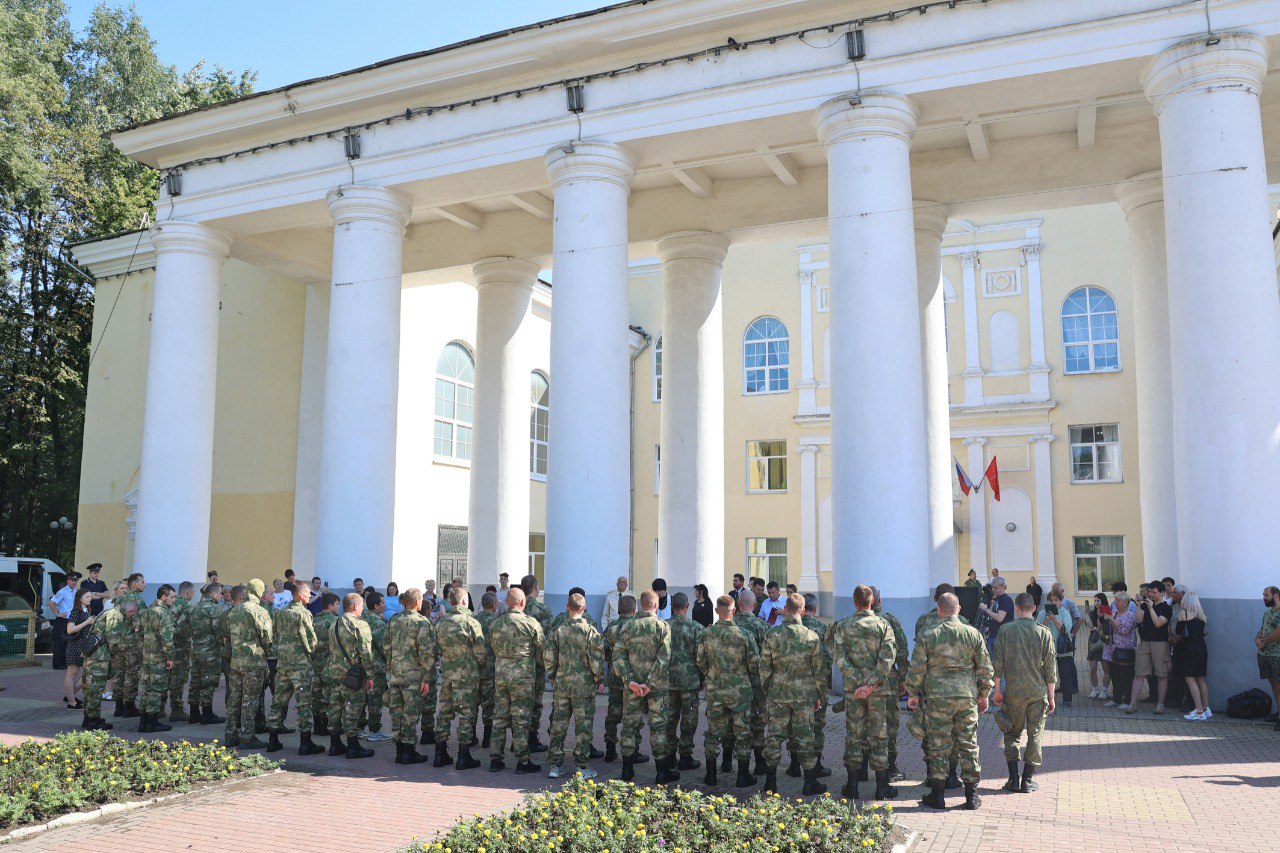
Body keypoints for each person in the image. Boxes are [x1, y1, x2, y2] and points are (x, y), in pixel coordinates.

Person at [906, 593, 993, 811]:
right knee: (968, 744)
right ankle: (971, 796)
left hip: (937, 698)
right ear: (959, 609)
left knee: (938, 745)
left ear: (939, 609)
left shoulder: (928, 635)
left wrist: (913, 693)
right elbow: (985, 669)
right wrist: (984, 694)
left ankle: (938, 795)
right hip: (966, 696)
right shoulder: (972, 634)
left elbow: (917, 668)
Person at [829, 585, 895, 801]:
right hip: (876, 691)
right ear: (872, 602)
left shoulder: (843, 626)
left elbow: (839, 657)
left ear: (855, 602)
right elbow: (887, 658)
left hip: (854, 691)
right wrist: (871, 684)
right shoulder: (883, 625)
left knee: (854, 735)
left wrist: (859, 683)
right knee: (879, 735)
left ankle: (853, 785)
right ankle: (882, 787)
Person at [758, 592, 825, 796]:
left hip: (778, 693)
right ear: (803, 611)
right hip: (804, 696)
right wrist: (819, 695)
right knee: (805, 737)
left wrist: (768, 690)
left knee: (774, 737)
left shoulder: (772, 634)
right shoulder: (811, 636)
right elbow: (819, 671)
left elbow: (764, 668)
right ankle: (810, 782)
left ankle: (770, 781)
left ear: (785, 610)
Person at [993, 593, 1056, 794]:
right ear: (1034, 608)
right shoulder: (1044, 632)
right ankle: (1027, 780)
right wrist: (1052, 697)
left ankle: (1013, 779)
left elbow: (997, 664)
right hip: (1038, 693)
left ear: (1017, 608)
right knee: (1035, 734)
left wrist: (997, 690)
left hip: (1013, 693)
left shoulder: (1006, 631)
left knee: (1012, 733)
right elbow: (1050, 669)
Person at [695, 594, 757, 789]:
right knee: (742, 733)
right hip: (740, 691)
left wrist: (712, 675)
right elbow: (754, 665)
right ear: (735, 611)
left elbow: (700, 661)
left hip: (716, 691)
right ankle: (742, 775)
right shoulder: (744, 635)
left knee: (713, 733)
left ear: (716, 611)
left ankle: (711, 775)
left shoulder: (706, 634)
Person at [614, 590, 676, 783]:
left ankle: (627, 769)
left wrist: (629, 680)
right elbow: (664, 658)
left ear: (641, 605)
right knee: (658, 727)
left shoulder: (628, 626)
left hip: (632, 687)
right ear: (656, 606)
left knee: (629, 726)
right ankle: (661, 772)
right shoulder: (662, 627)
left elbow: (618, 656)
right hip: (655, 688)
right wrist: (650, 683)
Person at [545, 592, 604, 779]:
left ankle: (555, 765)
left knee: (558, 725)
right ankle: (581, 766)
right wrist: (599, 679)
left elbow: (549, 658)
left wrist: (553, 677)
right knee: (583, 726)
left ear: (567, 607)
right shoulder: (590, 632)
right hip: (583, 686)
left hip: (562, 684)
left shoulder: (558, 630)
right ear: (584, 608)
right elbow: (596, 661)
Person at [488, 588, 545, 774]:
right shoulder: (530, 624)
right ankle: (522, 761)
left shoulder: (495, 623)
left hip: (502, 676)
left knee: (500, 716)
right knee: (520, 717)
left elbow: (492, 647)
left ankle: (495, 759)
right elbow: (542, 651)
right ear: (522, 603)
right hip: (523, 677)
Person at [266, 581, 325, 755]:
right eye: (308, 594)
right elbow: (311, 641)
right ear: (300, 595)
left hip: (283, 664)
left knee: (278, 702)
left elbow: (274, 635)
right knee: (304, 704)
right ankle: (305, 742)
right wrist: (311, 653)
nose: (310, 597)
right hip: (300, 666)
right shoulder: (303, 614)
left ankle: (273, 740)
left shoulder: (281, 612)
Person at [433, 586, 487, 769]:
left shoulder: (441, 623)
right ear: (464, 601)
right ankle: (463, 755)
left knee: (444, 713)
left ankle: (440, 754)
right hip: (467, 677)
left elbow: (437, 649)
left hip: (447, 675)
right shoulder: (471, 623)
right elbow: (481, 652)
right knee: (466, 714)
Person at [324, 593, 377, 758]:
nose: (362, 609)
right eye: (361, 606)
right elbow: (366, 653)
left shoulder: (334, 623)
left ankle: (334, 744)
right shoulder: (359, 625)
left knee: (335, 707)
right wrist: (370, 675)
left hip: (335, 672)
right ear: (355, 606)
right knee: (352, 708)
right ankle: (353, 745)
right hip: (352, 675)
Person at [384, 587, 434, 765]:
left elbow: (387, 646)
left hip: (396, 674)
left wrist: (391, 668)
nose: (421, 603)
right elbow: (426, 652)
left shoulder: (394, 620)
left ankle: (399, 750)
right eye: (420, 600)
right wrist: (427, 678)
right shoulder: (421, 622)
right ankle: (408, 751)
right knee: (410, 714)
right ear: (415, 602)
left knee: (396, 712)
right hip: (413, 676)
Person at [223, 585, 272, 748]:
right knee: (250, 700)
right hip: (254, 662)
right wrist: (268, 653)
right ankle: (247, 737)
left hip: (236, 661)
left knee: (234, 698)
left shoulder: (233, 611)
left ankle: (230, 735)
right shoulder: (258, 610)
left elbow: (227, 635)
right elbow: (266, 637)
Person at [870, 586, 910, 782]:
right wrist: (903, 677)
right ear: (879, 600)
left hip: (859, 682)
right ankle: (890, 767)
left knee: (860, 722)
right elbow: (902, 650)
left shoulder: (850, 622)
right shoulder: (889, 620)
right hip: (887, 680)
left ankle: (859, 769)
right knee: (890, 724)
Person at [83, 598, 136, 731]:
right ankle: (93, 721)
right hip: (99, 657)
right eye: (132, 614)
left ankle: (88, 717)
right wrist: (115, 654)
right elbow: (113, 638)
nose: (131, 617)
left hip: (94, 655)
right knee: (96, 688)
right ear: (129, 610)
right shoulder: (115, 615)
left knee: (90, 688)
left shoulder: (108, 611)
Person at [664, 592, 703, 772]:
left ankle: (669, 755)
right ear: (687, 606)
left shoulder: (664, 627)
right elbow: (701, 657)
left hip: (668, 680)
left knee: (670, 719)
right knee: (689, 719)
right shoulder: (696, 628)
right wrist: (702, 678)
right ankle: (685, 756)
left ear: (672, 606)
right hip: (689, 681)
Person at [732, 589, 768, 774]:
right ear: (754, 606)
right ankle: (760, 764)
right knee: (757, 722)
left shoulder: (729, 624)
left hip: (732, 684)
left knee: (733, 723)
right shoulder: (761, 626)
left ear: (738, 605)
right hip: (756, 683)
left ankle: (726, 763)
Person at [799, 594, 832, 779]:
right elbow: (827, 658)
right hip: (816, 686)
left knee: (796, 725)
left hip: (793, 687)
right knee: (817, 725)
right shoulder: (822, 628)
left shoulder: (791, 627)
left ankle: (795, 764)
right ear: (816, 608)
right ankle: (816, 764)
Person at [602, 594, 637, 763]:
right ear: (634, 609)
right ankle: (632, 750)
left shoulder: (611, 628)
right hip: (632, 678)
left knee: (613, 713)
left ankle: (610, 748)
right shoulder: (636, 627)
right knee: (632, 715)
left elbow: (604, 651)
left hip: (614, 675)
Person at [137, 585, 177, 734]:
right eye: (172, 597)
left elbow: (138, 632)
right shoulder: (163, 613)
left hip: (147, 656)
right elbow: (167, 638)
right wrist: (170, 657)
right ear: (163, 597)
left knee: (146, 689)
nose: (173, 600)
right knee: (156, 689)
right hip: (159, 657)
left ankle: (143, 721)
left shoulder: (147, 611)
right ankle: (151, 723)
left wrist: (145, 648)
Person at [521, 574, 553, 752]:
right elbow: (546, 638)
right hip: (536, 665)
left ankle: (518, 738)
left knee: (518, 702)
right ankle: (531, 738)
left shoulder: (515, 607)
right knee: (535, 701)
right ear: (536, 588)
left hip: (514, 665)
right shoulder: (542, 610)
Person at [1129, 581, 1172, 714]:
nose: (1151, 595)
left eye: (1154, 592)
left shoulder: (1166, 608)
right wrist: (1138, 606)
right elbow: (1139, 620)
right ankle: (1132, 704)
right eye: (1150, 592)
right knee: (1139, 673)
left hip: (1160, 643)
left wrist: (1152, 608)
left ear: (1162, 593)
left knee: (1161, 675)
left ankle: (1160, 705)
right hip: (1145, 642)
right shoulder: (1144, 605)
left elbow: (1158, 623)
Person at [189, 583, 226, 725]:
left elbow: (189, 628)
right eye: (220, 593)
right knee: (208, 682)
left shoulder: (194, 608)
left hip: (196, 649)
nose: (221, 596)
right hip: (210, 651)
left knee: (196, 681)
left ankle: (194, 713)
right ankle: (207, 713)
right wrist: (223, 644)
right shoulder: (214, 608)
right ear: (213, 594)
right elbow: (218, 630)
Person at [359, 590, 391, 742]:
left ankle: (359, 729)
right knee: (375, 699)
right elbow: (384, 646)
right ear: (376, 606)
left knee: (362, 698)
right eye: (383, 603)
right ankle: (374, 730)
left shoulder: (360, 618)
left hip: (361, 665)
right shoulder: (377, 623)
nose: (385, 605)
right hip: (376, 667)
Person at [1173, 590, 1210, 720]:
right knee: (1200, 679)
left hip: (1190, 649)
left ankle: (1199, 711)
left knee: (1189, 678)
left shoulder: (1184, 613)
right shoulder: (1202, 616)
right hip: (1202, 648)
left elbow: (1178, 631)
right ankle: (1206, 709)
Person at [1037, 590, 1077, 706]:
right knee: (1047, 675)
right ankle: (1046, 698)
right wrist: (1044, 622)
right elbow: (1037, 630)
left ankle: (1067, 699)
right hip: (1047, 649)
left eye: (1056, 600)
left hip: (1062, 648)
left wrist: (1054, 619)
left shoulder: (1064, 613)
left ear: (1060, 601)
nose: (1053, 602)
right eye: (1051, 600)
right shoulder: (1042, 613)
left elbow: (1066, 629)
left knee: (1065, 674)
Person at [115, 573, 148, 717]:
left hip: (118, 642)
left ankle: (118, 707)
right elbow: (141, 623)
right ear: (134, 584)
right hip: (132, 643)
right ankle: (129, 706)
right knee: (132, 674)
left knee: (119, 673)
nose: (145, 584)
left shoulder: (119, 599)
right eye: (142, 582)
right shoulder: (137, 600)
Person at [165, 581, 195, 722]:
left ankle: (159, 708)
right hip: (180, 648)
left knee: (166, 677)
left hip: (166, 647)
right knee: (178, 678)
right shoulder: (185, 605)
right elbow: (182, 628)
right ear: (188, 592)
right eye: (192, 592)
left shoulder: (169, 602)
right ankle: (176, 709)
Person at [1102, 592, 1137, 710]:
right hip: (1113, 649)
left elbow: (1124, 630)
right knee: (1115, 675)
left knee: (1126, 677)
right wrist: (1102, 617)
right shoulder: (1114, 613)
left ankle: (1127, 701)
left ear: (1125, 603)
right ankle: (1116, 699)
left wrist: (1111, 619)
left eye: (1117, 601)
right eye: (1115, 600)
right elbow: (1103, 626)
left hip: (1125, 650)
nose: (1115, 603)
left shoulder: (1130, 616)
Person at [474, 591, 500, 748]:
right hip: (490, 670)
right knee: (489, 704)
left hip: (474, 669)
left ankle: (470, 736)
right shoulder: (497, 623)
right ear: (495, 605)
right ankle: (487, 738)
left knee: (472, 704)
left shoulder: (473, 620)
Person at [63, 588, 95, 709]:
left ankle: (69, 695)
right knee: (72, 674)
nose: (89, 598)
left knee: (86, 674)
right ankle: (71, 702)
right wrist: (87, 622)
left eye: (90, 596)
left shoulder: (87, 610)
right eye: (87, 596)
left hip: (84, 647)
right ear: (80, 598)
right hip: (75, 646)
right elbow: (70, 630)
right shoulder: (76, 611)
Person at [1256, 586, 1280, 730]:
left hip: (1277, 655)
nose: (1264, 598)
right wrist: (1257, 639)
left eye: (1266, 595)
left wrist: (1264, 642)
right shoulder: (1267, 613)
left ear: (1276, 596)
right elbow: (1262, 628)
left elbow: (1278, 631)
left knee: (1279, 686)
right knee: (1274, 685)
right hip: (1265, 654)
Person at [49, 571, 79, 671]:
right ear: (68, 580)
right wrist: (57, 614)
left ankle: (65, 663)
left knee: (67, 642)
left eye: (76, 580)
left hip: (71, 620)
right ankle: (57, 664)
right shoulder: (63, 591)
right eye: (72, 580)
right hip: (62, 620)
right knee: (60, 642)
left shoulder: (75, 592)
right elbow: (51, 603)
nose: (74, 582)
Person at [978, 577, 1014, 655]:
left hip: (1001, 638)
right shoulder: (996, 599)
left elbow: (999, 618)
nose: (993, 590)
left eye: (996, 588)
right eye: (992, 587)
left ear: (1003, 587)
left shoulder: (1006, 599)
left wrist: (986, 609)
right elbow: (992, 617)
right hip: (993, 635)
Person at [1087, 593, 1112, 700]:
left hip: (1104, 641)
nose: (1096, 603)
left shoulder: (1107, 611)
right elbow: (1091, 627)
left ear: (1103, 601)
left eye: (1098, 601)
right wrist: (1087, 614)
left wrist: (1100, 616)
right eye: (1095, 600)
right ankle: (1095, 689)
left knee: (1106, 668)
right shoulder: (1092, 612)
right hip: (1093, 640)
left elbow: (1101, 626)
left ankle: (1104, 690)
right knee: (1092, 668)